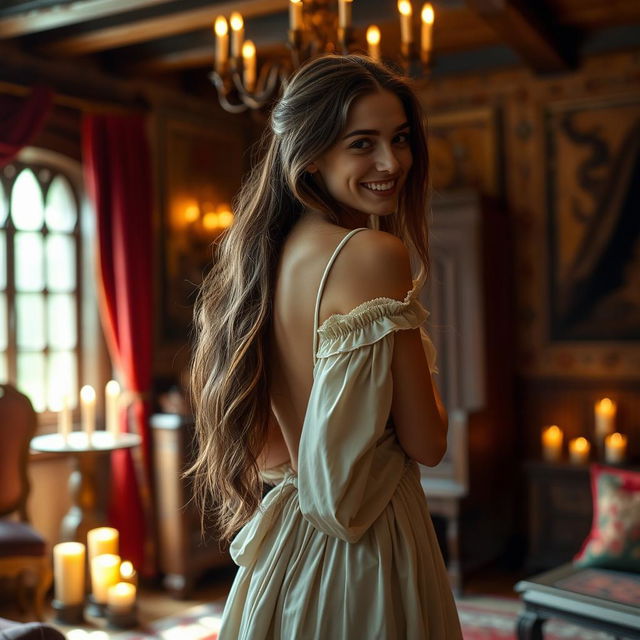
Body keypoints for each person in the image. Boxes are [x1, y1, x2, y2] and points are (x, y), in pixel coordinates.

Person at [188, 54, 463, 639]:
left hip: (283, 552)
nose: (392, 163)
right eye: (362, 143)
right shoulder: (372, 254)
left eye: (401, 139)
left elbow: (269, 452)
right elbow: (428, 441)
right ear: (309, 156)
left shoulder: (260, 264)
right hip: (367, 547)